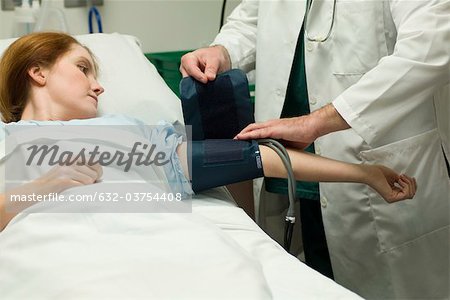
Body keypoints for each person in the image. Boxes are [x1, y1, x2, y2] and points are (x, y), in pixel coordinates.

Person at [0, 33, 416, 239]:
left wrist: (364, 174)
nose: (98, 85)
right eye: (82, 69)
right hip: (53, 256)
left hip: (157, 249)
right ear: (38, 72)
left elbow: (252, 157)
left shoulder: (125, 132)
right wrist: (43, 187)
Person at [179, 0, 450, 298]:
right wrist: (221, 51)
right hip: (291, 172)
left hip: (373, 160)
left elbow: (432, 44)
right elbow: (252, 20)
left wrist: (319, 122)